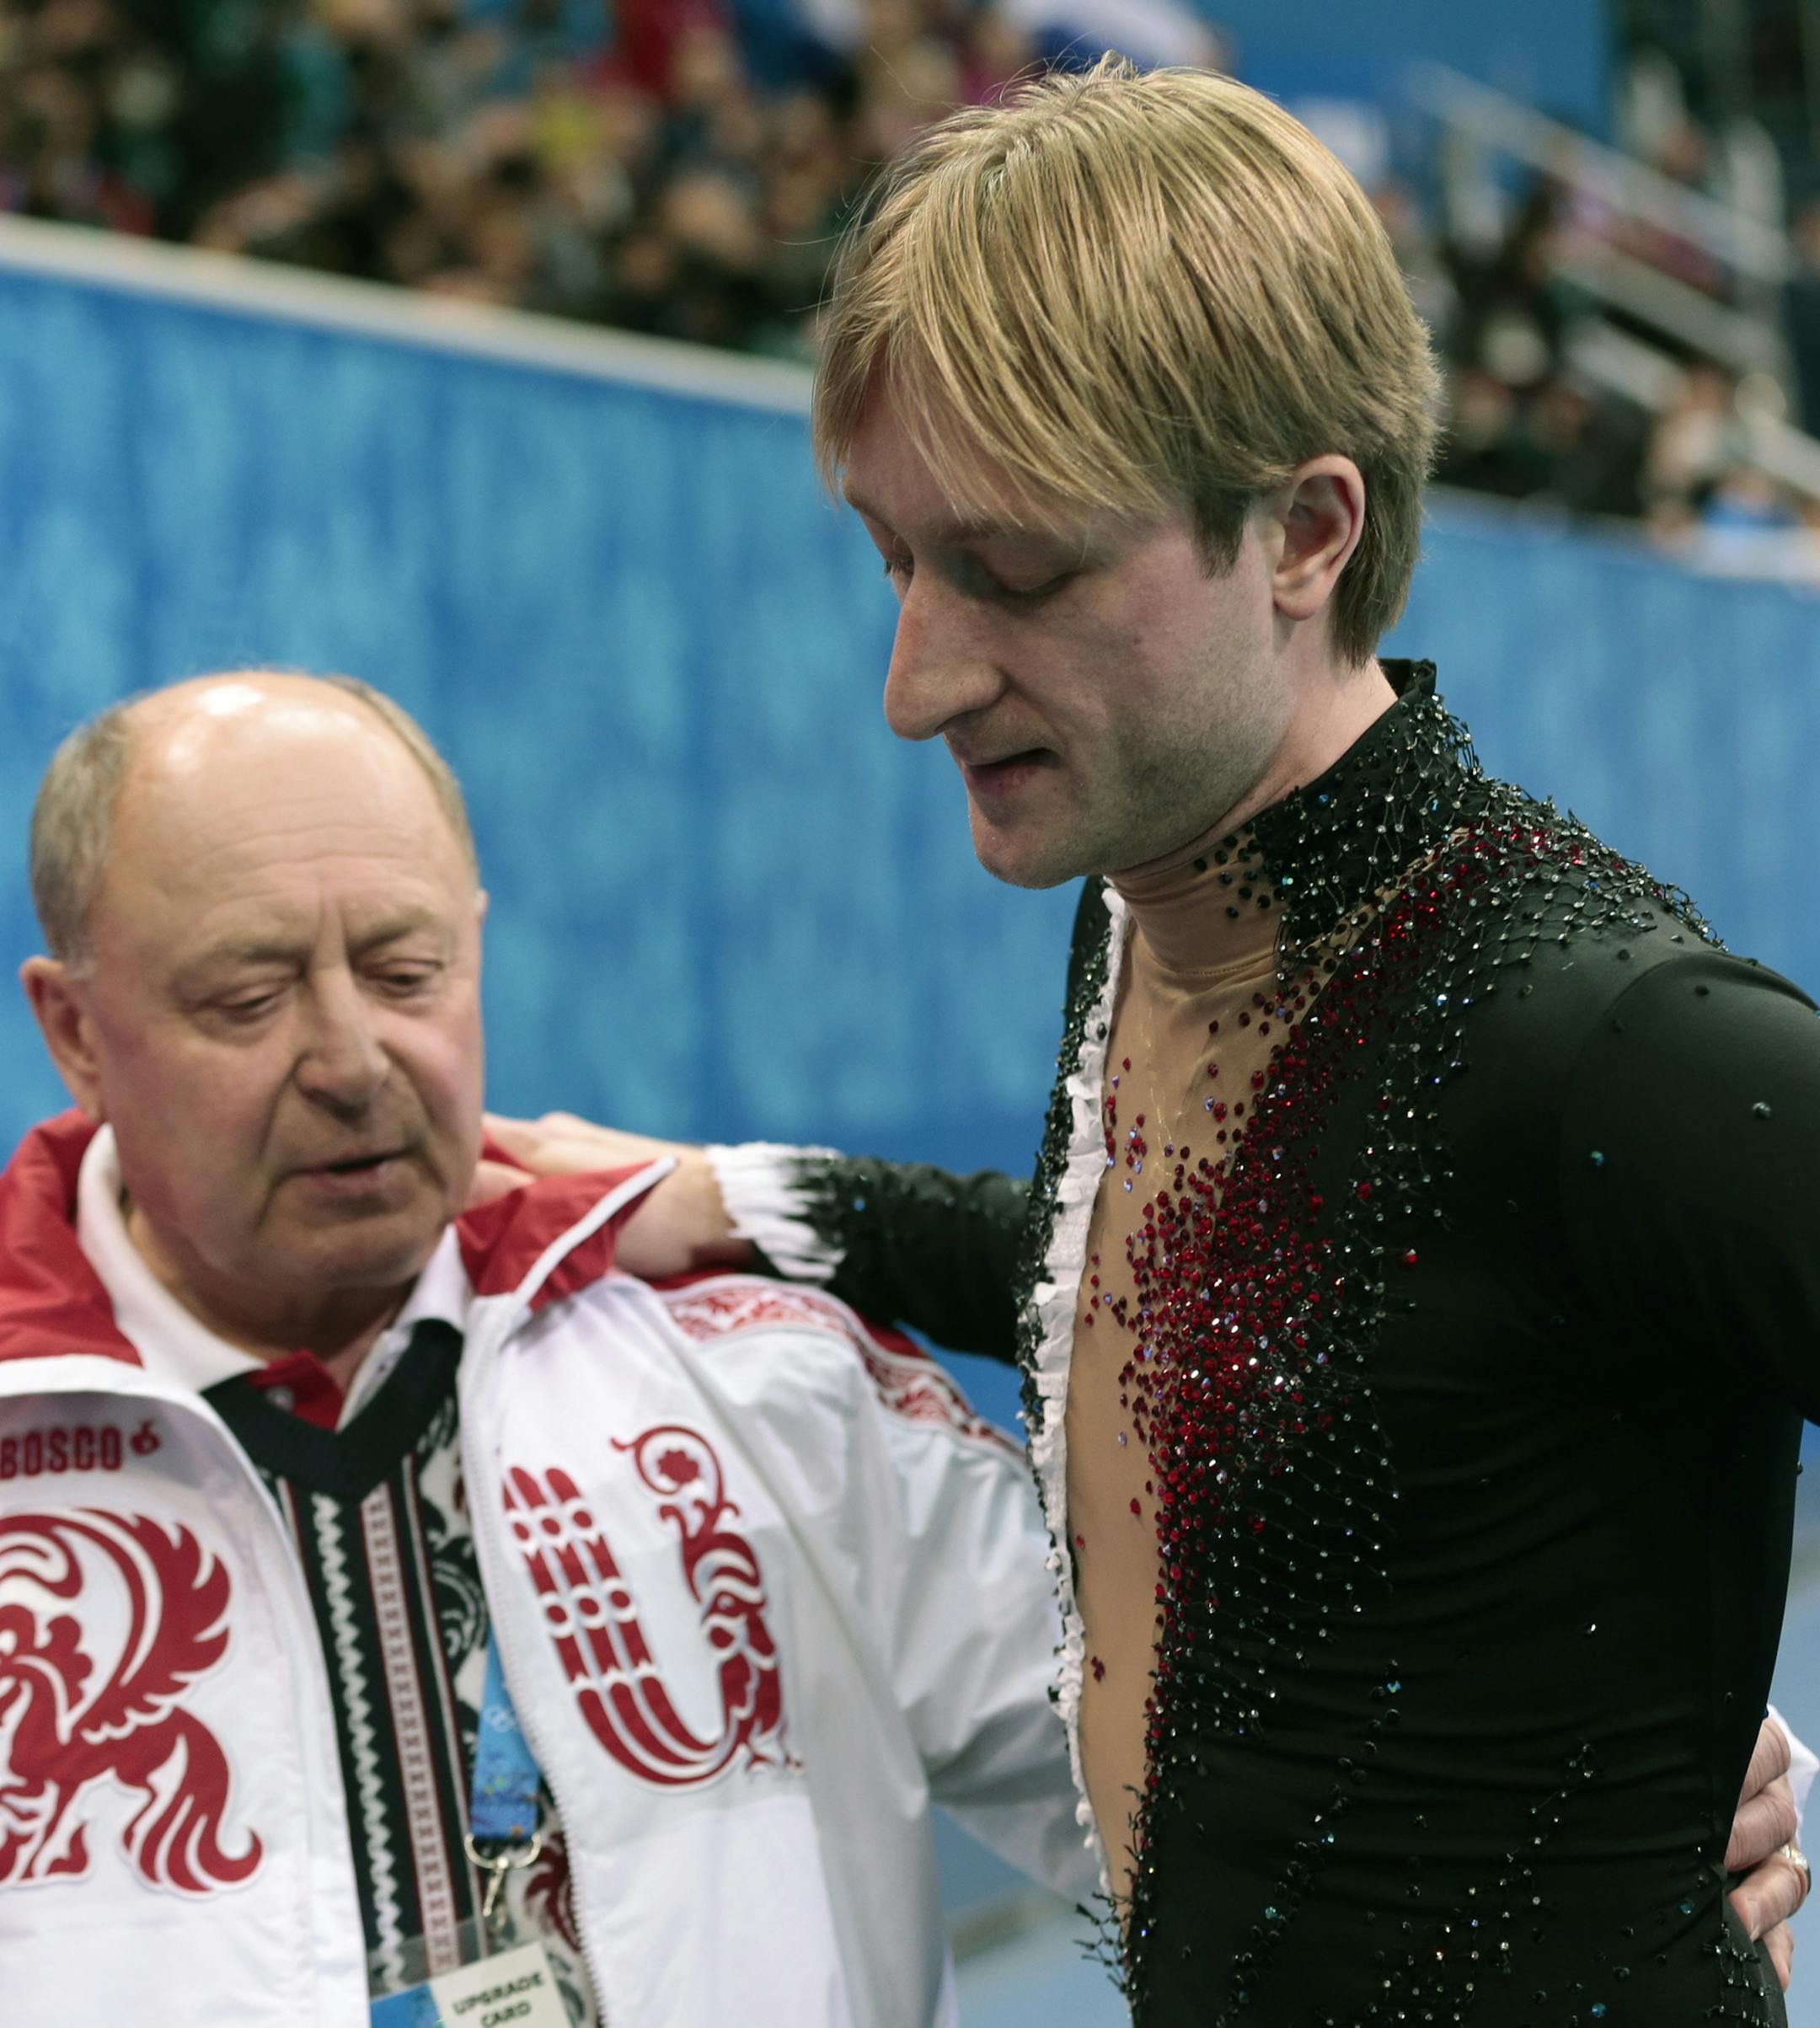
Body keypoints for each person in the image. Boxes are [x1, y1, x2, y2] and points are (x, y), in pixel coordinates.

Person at [491, 56, 1820, 2025]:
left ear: (1303, 532)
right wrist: (736, 1197)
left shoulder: (1601, 1035)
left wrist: (1676, 1718)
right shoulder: (1152, 908)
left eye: (1016, 570)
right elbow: (1125, 1278)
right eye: (897, 557)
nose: (915, 678)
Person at [0, 671, 1092, 2028]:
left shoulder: (752, 1375)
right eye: (245, 997)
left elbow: (1220, 1798)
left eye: (408, 973)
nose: (352, 1060)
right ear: (72, 1031)